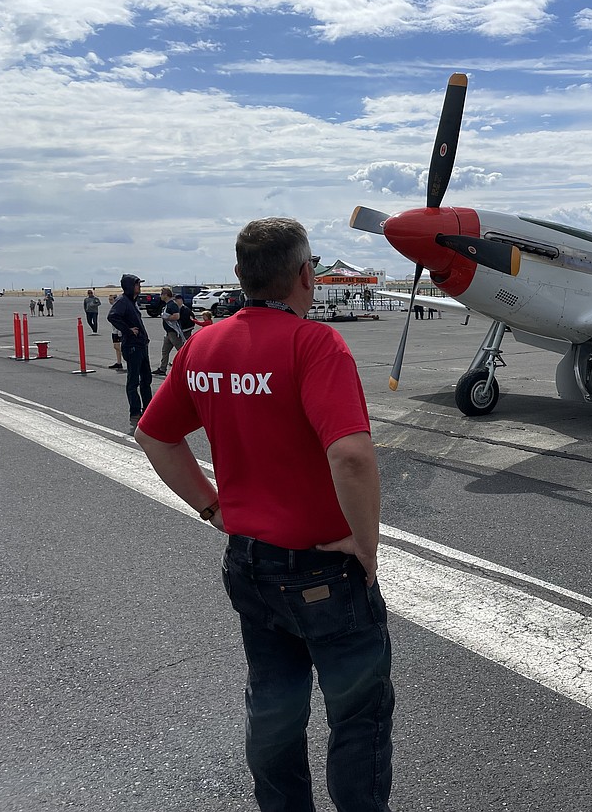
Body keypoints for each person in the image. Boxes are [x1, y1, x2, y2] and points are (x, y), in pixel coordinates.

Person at [133, 217, 393, 812]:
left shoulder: (204, 344)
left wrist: (212, 506)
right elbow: (351, 455)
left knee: (275, 709)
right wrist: (365, 543)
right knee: (358, 718)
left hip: (250, 563)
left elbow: (154, 435)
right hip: (324, 569)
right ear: (306, 274)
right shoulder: (314, 343)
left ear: (240, 276)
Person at [107, 275, 152, 424]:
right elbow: (112, 316)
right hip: (132, 346)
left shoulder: (132, 302)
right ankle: (135, 412)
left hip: (141, 345)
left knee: (146, 379)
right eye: (137, 284)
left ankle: (148, 409)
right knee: (133, 381)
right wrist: (127, 330)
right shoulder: (122, 301)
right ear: (130, 286)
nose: (140, 287)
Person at [152, 287, 184, 376]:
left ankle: (186, 367)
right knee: (165, 351)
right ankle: (162, 368)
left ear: (166, 295)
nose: (160, 296)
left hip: (173, 332)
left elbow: (177, 316)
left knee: (181, 350)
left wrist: (167, 317)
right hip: (168, 332)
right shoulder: (167, 304)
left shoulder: (172, 305)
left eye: (161, 294)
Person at [107, 294, 124, 370]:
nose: (110, 301)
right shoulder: (113, 308)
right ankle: (119, 362)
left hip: (119, 330)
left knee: (120, 347)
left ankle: (127, 361)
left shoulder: (118, 308)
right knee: (116, 346)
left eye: (111, 299)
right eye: (109, 299)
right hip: (114, 330)